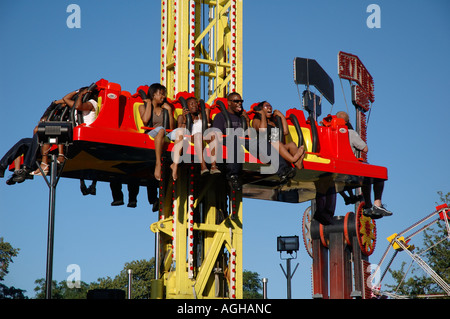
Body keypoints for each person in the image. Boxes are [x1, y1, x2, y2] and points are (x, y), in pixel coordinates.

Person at [212, 92, 294, 191]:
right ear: (229, 103)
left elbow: (250, 135)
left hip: (242, 140)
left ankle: (283, 171)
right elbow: (216, 134)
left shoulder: (241, 117)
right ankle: (233, 176)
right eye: (236, 101)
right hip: (227, 139)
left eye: (241, 101)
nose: (239, 103)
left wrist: (246, 120)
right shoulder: (220, 116)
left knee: (262, 142)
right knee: (234, 141)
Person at [336, 111, 392, 219]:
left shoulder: (329, 132)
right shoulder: (350, 133)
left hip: (335, 169)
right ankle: (376, 204)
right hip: (348, 169)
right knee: (378, 175)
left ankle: (365, 204)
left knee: (366, 176)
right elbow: (365, 148)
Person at [169, 96, 220, 181]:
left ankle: (213, 166)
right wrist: (186, 120)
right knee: (198, 135)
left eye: (196, 103)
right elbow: (180, 131)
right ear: (187, 107)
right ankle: (203, 167)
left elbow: (207, 127)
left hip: (202, 136)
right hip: (190, 137)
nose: (195, 105)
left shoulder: (201, 115)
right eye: (191, 104)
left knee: (212, 134)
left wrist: (206, 115)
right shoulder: (181, 117)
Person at [251, 101, 305, 169]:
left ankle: (298, 163)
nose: (269, 107)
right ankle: (293, 159)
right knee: (277, 143)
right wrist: (262, 115)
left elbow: (285, 132)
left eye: (270, 105)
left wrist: (281, 116)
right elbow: (263, 129)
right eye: (266, 106)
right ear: (261, 109)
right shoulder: (256, 120)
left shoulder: (273, 122)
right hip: (264, 151)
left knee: (292, 144)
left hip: (276, 149)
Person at [139, 83, 175, 181]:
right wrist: (149, 104)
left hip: (162, 133)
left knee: (171, 131)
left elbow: (171, 128)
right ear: (154, 94)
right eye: (161, 94)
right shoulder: (143, 107)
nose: (163, 96)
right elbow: (145, 120)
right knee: (160, 129)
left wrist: (170, 111)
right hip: (150, 134)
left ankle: (174, 164)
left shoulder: (164, 109)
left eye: (164, 94)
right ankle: (158, 163)